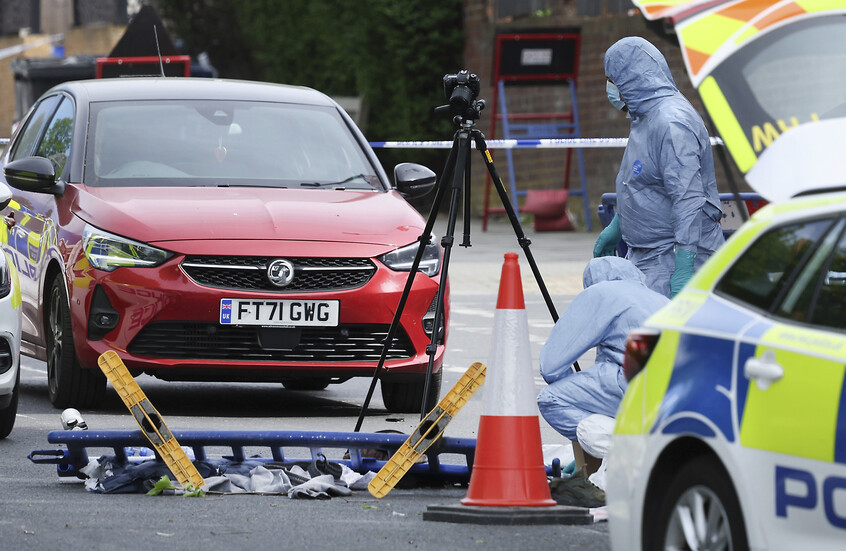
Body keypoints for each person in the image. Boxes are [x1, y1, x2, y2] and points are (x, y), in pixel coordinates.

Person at [594, 36, 724, 298]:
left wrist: (685, 267)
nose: (610, 87)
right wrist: (618, 226)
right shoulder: (645, 117)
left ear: (631, 78)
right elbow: (644, 183)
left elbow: (687, 198)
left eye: (613, 79)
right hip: (650, 257)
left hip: (673, 258)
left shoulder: (671, 124)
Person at [537, 256, 669, 507]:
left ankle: (621, 451)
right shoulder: (657, 297)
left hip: (636, 385)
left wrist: (586, 428)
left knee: (551, 398)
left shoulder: (600, 292)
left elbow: (551, 366)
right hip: (675, 394)